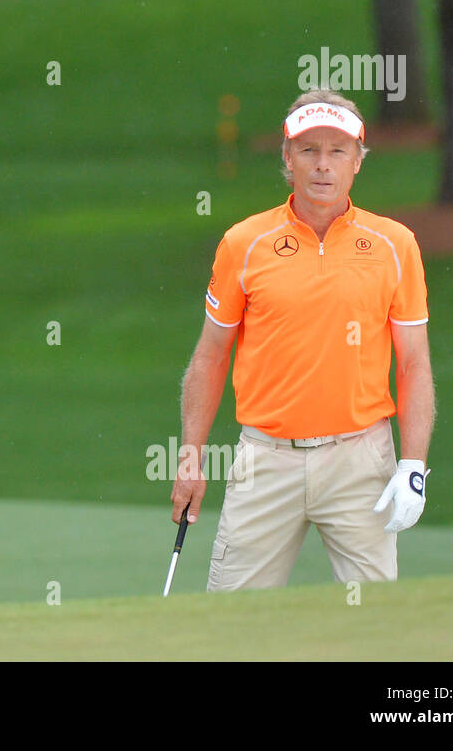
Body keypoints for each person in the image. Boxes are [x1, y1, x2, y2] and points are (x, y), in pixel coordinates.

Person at [172, 90, 434, 590]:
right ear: (287, 159)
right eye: (308, 150)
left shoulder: (394, 245)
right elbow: (210, 355)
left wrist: (414, 466)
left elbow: (414, 365)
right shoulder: (244, 243)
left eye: (337, 151)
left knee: (374, 626)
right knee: (233, 624)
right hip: (266, 459)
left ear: (358, 160)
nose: (323, 165)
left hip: (361, 460)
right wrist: (190, 458)